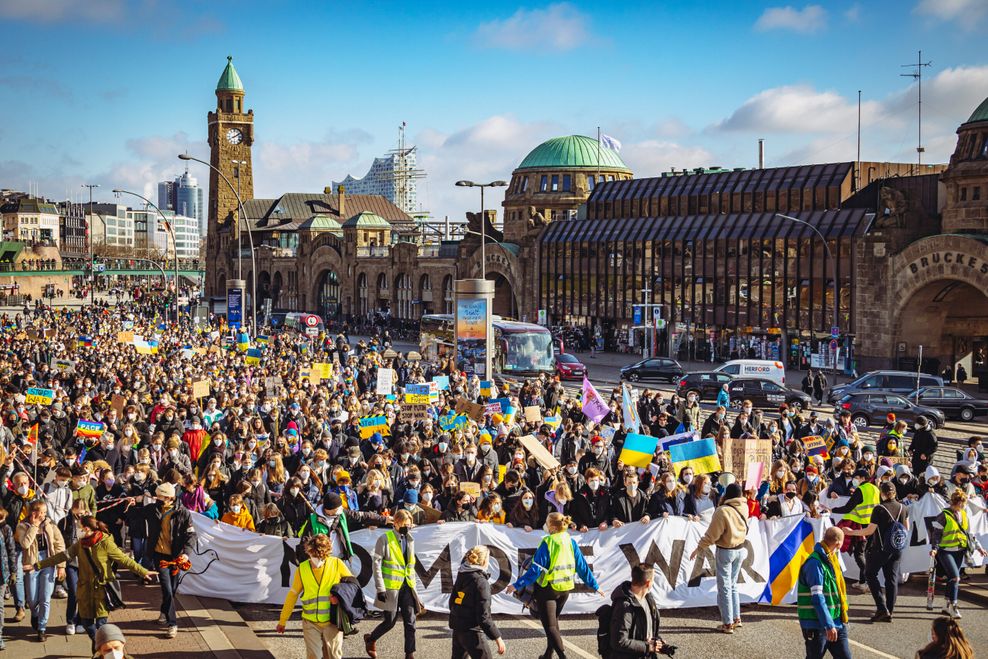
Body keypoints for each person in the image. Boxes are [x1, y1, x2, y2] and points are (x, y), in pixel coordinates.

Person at [30, 515, 155, 649]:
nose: (77, 531)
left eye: (79, 528)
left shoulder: (105, 542)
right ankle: (98, 644)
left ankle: (99, 649)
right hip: (85, 590)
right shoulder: (80, 544)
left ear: (86, 529)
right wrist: (38, 565)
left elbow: (124, 559)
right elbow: (63, 556)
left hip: (102, 590)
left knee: (101, 624)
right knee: (86, 623)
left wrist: (143, 571)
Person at [507, 512, 604, 659]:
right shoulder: (570, 541)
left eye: (546, 522)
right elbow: (582, 567)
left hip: (547, 590)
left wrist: (516, 585)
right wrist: (595, 586)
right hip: (565, 589)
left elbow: (535, 570)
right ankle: (548, 654)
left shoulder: (548, 542)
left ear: (552, 526)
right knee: (554, 623)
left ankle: (562, 655)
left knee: (550, 626)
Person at [276, 533, 352, 659]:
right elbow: (292, 595)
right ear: (309, 552)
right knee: (314, 656)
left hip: (332, 622)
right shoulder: (303, 569)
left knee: (333, 656)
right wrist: (282, 620)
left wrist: (339, 597)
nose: (317, 560)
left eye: (321, 557)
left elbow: (353, 587)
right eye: (313, 556)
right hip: (310, 622)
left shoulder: (337, 564)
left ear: (326, 554)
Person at [842, 481, 909, 622]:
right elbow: (906, 529)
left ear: (881, 493)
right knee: (891, 579)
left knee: (870, 574)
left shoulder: (879, 509)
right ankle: (889, 611)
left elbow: (869, 530)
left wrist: (852, 532)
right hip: (897, 548)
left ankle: (881, 607)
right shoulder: (904, 508)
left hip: (881, 548)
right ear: (895, 493)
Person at [689, 482, 748, 633]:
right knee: (733, 584)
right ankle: (736, 617)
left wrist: (699, 548)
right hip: (740, 549)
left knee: (725, 587)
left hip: (726, 551)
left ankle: (727, 623)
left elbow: (712, 534)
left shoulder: (722, 511)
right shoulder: (744, 506)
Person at [143, 482, 196, 639]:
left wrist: (186, 553)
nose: (157, 498)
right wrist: (133, 502)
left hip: (176, 557)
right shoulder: (153, 509)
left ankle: (163, 611)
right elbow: (135, 514)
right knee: (166, 588)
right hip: (160, 556)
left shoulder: (183, 513)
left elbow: (191, 535)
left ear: (169, 497)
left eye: (160, 496)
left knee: (172, 590)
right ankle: (172, 623)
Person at [365, 510, 421, 659]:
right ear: (395, 523)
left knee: (411, 623)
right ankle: (371, 639)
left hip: (407, 586)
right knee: (390, 622)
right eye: (404, 525)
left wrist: (414, 588)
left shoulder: (410, 539)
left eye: (409, 525)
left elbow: (410, 565)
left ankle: (410, 654)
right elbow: (376, 565)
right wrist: (380, 588)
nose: (407, 528)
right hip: (391, 588)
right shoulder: (384, 539)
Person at [930, 489, 987, 619]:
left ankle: (946, 606)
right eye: (962, 504)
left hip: (959, 551)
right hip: (946, 552)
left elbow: (969, 535)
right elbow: (936, 535)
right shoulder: (943, 516)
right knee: (956, 578)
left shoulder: (964, 515)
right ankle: (954, 607)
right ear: (955, 502)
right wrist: (934, 548)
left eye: (964, 504)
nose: (963, 506)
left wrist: (979, 548)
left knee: (952, 579)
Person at [15, 499, 66, 642]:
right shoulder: (22, 526)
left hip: (48, 562)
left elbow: (60, 545)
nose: (43, 515)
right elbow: (25, 544)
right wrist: (34, 526)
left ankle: (42, 628)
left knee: (45, 598)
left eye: (45, 512)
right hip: (31, 563)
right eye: (40, 512)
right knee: (32, 599)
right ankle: (35, 614)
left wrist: (61, 566)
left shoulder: (51, 525)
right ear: (33, 513)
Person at [797, 526, 850, 659]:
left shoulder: (830, 559)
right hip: (817, 625)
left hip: (836, 621)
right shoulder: (815, 564)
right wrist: (828, 625)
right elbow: (817, 598)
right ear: (838, 544)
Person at [448, 545, 507, 659]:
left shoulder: (462, 574)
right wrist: (498, 638)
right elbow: (483, 616)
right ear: (484, 561)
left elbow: (452, 603)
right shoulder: (481, 582)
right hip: (473, 633)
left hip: (458, 630)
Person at [609, 562, 667, 659]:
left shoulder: (649, 599)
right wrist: (648, 647)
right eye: (653, 580)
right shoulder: (624, 607)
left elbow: (646, 630)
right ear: (648, 583)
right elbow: (619, 641)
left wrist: (658, 642)